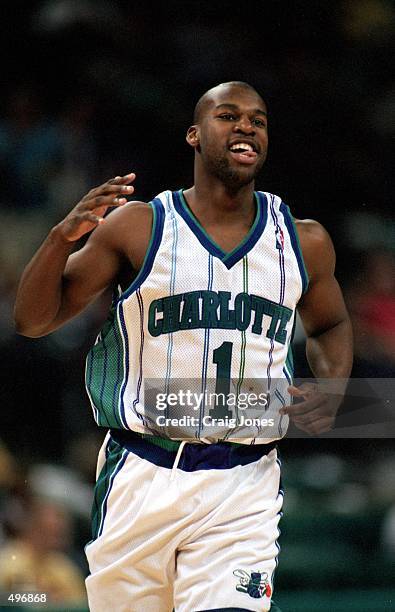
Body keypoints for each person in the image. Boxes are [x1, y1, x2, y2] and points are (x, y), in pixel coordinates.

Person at [14, 81, 353, 612]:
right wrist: (62, 238)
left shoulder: (302, 240)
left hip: (244, 480)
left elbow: (330, 325)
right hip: (143, 472)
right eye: (229, 115)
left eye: (258, 120)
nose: (246, 126)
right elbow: (32, 321)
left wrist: (333, 389)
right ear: (194, 135)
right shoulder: (140, 226)